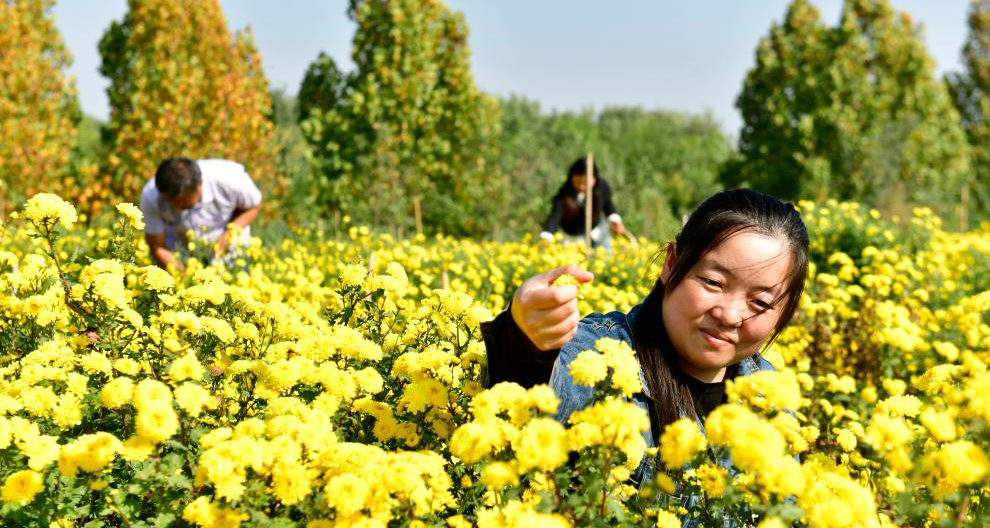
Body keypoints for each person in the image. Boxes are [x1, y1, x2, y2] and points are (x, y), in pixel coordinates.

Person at [481, 188, 809, 489]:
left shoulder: (770, 398)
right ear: (671, 263)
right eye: (713, 282)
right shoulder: (603, 354)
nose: (729, 314)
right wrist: (524, 340)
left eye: (761, 303)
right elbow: (531, 401)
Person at [139, 157, 262, 271]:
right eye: (173, 203)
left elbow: (254, 206)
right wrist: (183, 278)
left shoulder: (229, 178)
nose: (178, 207)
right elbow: (157, 247)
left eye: (183, 203)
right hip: (183, 257)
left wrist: (227, 236)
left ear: (199, 185)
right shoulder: (151, 196)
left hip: (233, 256)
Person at [540, 157, 626, 248]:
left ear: (594, 179)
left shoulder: (601, 187)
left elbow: (608, 205)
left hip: (597, 232)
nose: (581, 187)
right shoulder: (565, 192)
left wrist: (615, 221)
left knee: (605, 256)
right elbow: (555, 215)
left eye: (585, 184)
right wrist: (548, 234)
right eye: (578, 182)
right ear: (571, 178)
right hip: (573, 237)